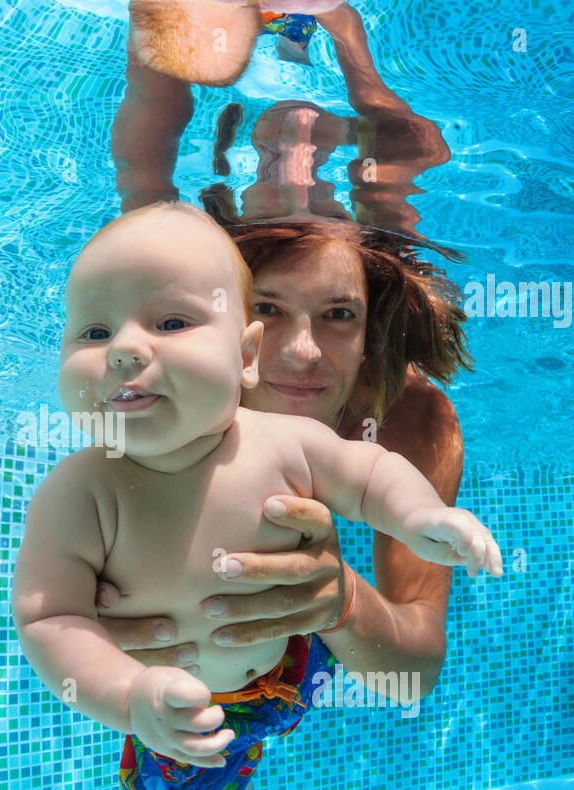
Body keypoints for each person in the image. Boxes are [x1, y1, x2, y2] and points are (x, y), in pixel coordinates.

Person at [11, 202, 503, 790]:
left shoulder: (303, 438)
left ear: (242, 353)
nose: (127, 350)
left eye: (339, 314)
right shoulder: (81, 488)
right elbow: (49, 617)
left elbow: (373, 475)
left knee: (272, 710)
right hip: (185, 705)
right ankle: (229, 781)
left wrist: (419, 520)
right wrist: (128, 694)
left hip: (294, 665)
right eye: (95, 334)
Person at [101, 3, 474, 744]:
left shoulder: (410, 417)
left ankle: (340, 33)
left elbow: (416, 665)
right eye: (267, 309)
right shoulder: (181, 360)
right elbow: (143, 158)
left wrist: (337, 600)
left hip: (308, 640)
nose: (302, 352)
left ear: (372, 331)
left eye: (340, 316)